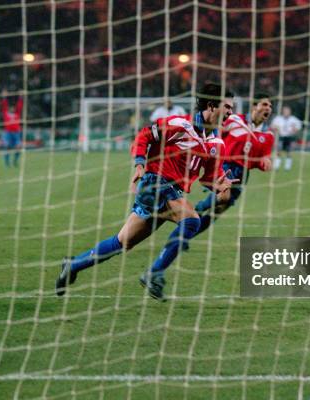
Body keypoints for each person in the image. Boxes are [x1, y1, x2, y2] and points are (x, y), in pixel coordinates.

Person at [56, 83, 237, 301]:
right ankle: (155, 273)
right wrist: (140, 163)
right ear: (211, 105)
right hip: (156, 182)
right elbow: (144, 136)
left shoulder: (217, 143)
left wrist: (220, 186)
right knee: (192, 221)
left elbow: (208, 177)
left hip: (173, 191)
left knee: (123, 242)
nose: (230, 112)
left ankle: (73, 265)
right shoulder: (180, 124)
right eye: (227, 107)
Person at [194, 93, 275, 235]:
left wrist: (265, 163)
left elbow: (260, 160)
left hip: (243, 173)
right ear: (254, 106)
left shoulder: (268, 135)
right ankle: (199, 208)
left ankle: (188, 236)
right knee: (223, 197)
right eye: (264, 104)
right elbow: (216, 133)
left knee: (218, 210)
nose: (268, 108)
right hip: (227, 165)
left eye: (270, 106)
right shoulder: (235, 120)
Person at [271, 105, 302, 170]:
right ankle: (276, 165)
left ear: (290, 112)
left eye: (287, 111)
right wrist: (275, 128)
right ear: (283, 111)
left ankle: (287, 166)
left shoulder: (293, 119)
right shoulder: (278, 118)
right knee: (278, 151)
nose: (286, 112)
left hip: (289, 137)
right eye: (285, 111)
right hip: (280, 137)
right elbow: (272, 126)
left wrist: (295, 129)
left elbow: (299, 126)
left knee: (289, 152)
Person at [0, 89, 23, 167]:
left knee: (18, 147)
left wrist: (21, 97)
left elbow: (20, 106)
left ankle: (15, 161)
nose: (12, 109)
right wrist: (4, 97)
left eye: (14, 108)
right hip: (7, 133)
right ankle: (7, 163)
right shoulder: (6, 113)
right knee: (7, 147)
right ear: (9, 108)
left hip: (16, 133)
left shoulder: (17, 113)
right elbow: (4, 105)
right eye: (11, 108)